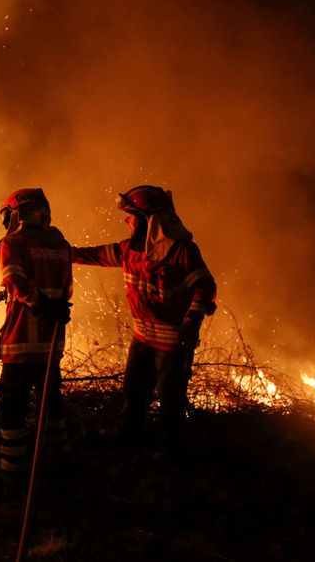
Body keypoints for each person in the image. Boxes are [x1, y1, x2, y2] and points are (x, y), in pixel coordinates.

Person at [73, 185, 216, 457]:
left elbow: (205, 287)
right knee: (134, 390)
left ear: (148, 219)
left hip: (172, 343)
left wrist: (191, 321)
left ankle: (171, 448)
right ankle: (128, 434)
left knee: (170, 398)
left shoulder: (181, 252)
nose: (126, 221)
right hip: (142, 338)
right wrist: (61, 253)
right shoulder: (130, 250)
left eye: (131, 216)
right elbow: (93, 255)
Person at [0, 187, 73, 487]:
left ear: (17, 214)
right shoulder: (61, 245)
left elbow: (15, 279)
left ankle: (12, 474)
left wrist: (36, 301)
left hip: (21, 343)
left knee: (12, 408)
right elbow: (58, 288)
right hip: (51, 343)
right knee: (51, 404)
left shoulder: (13, 243)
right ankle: (60, 462)